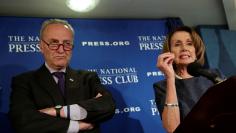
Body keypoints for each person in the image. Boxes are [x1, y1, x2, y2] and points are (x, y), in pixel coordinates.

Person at [9, 19, 116, 133]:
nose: (61, 50)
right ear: (41, 46)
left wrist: (57, 111)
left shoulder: (88, 78)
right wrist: (77, 126)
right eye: (54, 43)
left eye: (67, 44)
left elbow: (108, 106)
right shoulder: (24, 81)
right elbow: (22, 121)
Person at [153, 26, 225, 133]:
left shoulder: (213, 75)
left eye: (189, 43)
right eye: (177, 44)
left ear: (196, 51)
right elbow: (172, 128)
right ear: (169, 53)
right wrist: (170, 78)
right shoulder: (163, 86)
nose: (184, 48)